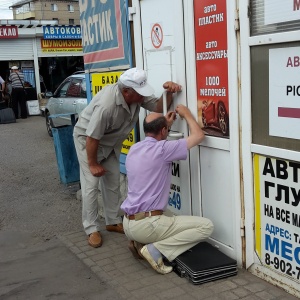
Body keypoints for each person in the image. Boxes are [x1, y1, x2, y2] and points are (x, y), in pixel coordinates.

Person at [73, 67, 182, 248]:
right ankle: (91, 228)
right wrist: (92, 164)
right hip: (88, 141)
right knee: (91, 185)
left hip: (110, 143)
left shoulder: (134, 93)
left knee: (113, 180)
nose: (142, 97)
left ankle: (112, 221)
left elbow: (157, 107)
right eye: (140, 94)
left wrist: (168, 93)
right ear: (126, 91)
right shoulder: (107, 105)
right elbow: (92, 136)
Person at [121, 104, 214, 275]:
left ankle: (139, 242)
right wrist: (186, 114)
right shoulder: (163, 149)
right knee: (206, 227)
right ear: (163, 131)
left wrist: (166, 124)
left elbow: (157, 139)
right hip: (147, 225)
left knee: (172, 216)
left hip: (128, 223)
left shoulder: (135, 149)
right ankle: (155, 250)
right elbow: (199, 136)